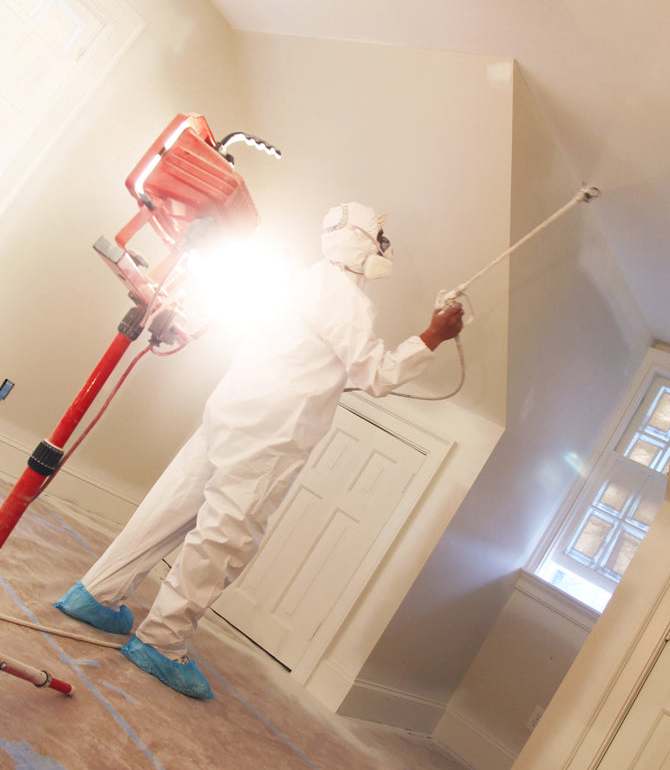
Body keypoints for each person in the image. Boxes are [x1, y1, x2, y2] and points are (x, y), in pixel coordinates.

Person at [53, 202, 463, 699]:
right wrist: (434, 335)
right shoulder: (347, 299)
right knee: (225, 535)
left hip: (229, 411)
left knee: (172, 507)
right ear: (362, 244)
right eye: (379, 240)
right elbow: (375, 375)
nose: (385, 250)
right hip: (272, 434)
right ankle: (162, 641)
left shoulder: (303, 280)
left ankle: (96, 594)